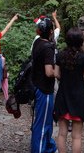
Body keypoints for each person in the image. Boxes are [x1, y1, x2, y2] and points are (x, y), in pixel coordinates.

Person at [54, 27, 84, 153]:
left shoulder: (60, 55)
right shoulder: (83, 58)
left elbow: (57, 74)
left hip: (63, 95)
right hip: (78, 98)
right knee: (77, 136)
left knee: (62, 134)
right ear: (81, 41)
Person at [31, 17, 57, 153]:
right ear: (51, 32)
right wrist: (58, 72)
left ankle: (48, 147)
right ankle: (39, 149)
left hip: (36, 85)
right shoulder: (48, 48)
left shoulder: (37, 42)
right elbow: (48, 72)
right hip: (44, 89)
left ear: (39, 31)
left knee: (45, 120)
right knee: (42, 123)